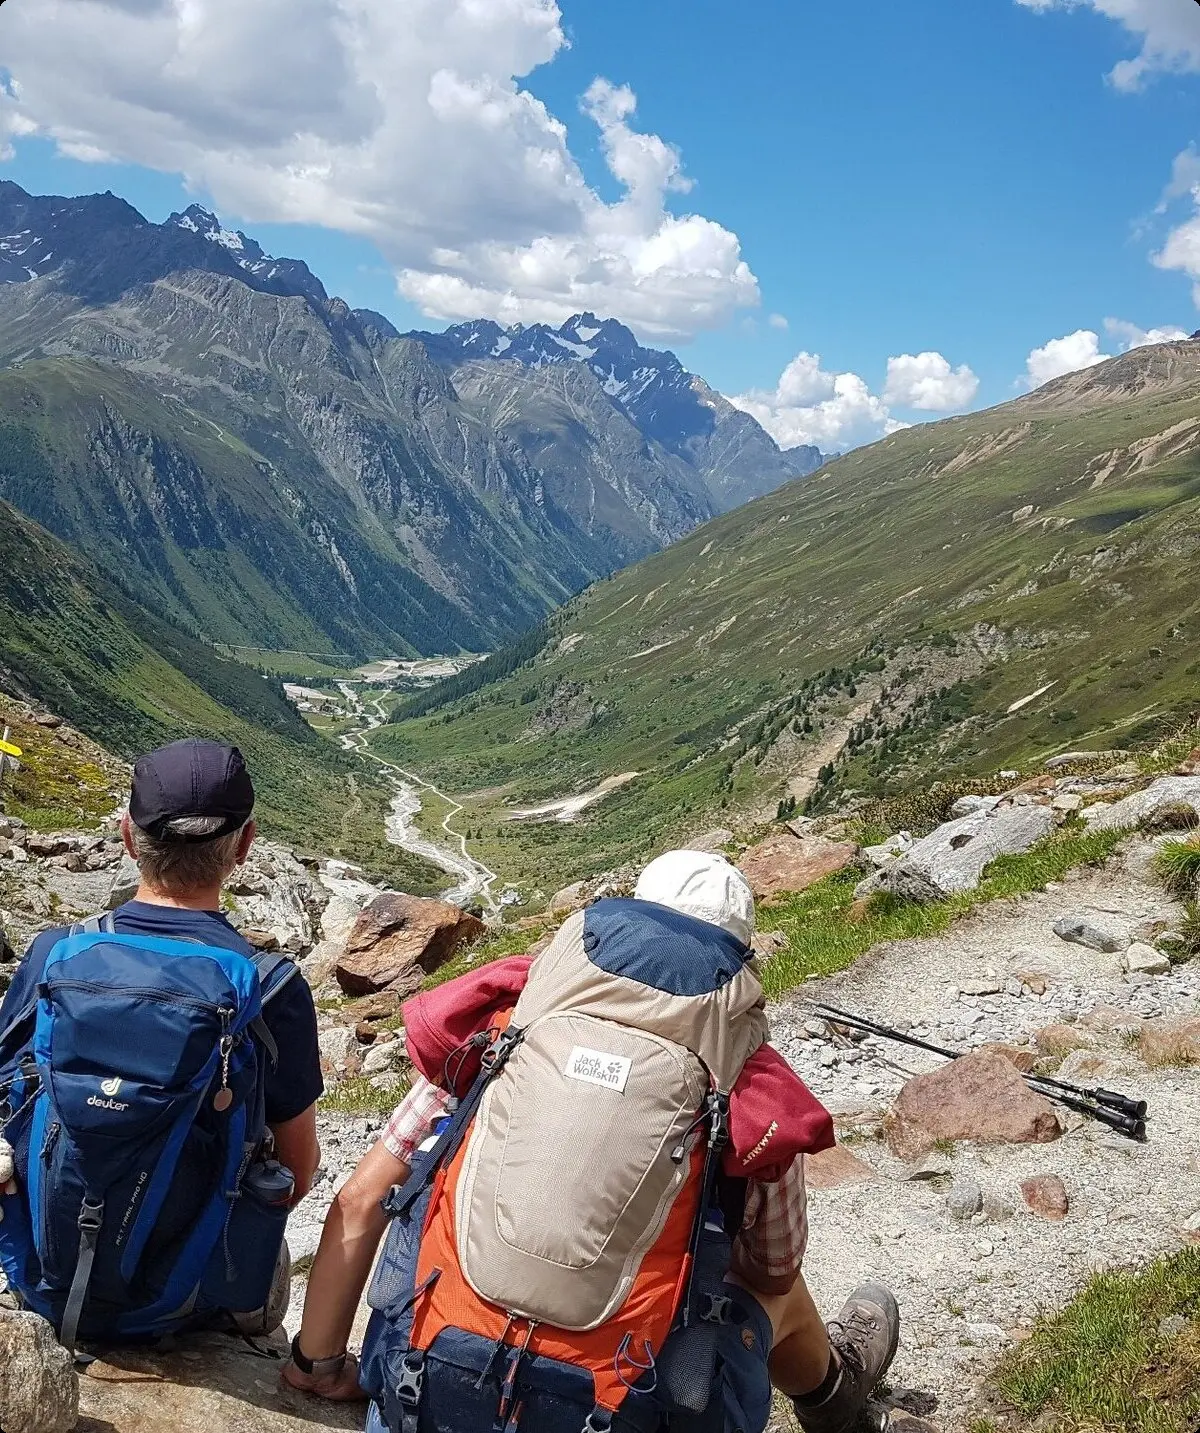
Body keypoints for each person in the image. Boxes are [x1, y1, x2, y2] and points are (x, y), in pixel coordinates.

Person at [283, 850, 899, 1433]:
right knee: (783, 1295)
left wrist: (318, 1364)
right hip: (617, 1408)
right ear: (734, 960)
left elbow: (364, 1197)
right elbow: (773, 1263)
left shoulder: (507, 1030)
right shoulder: (745, 1078)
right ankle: (835, 1399)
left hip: (426, 1388)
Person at [0, 738, 324, 1341]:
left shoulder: (54, 954)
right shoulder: (271, 987)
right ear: (244, 847)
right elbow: (299, 1172)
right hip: (183, 1300)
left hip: (36, 1273)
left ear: (128, 837)